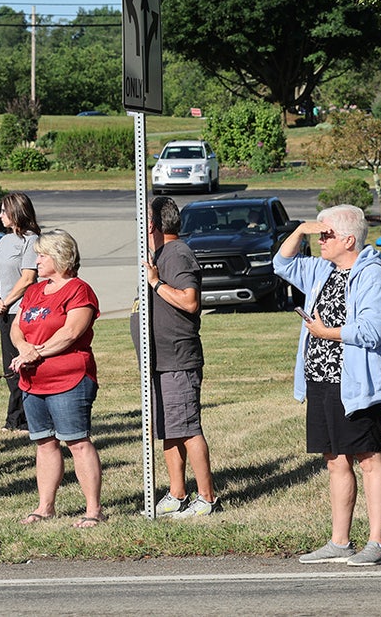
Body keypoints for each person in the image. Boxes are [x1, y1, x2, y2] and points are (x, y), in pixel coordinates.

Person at [274, 204, 381, 565]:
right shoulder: (322, 270)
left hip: (357, 384)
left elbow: (375, 330)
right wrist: (298, 232)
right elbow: (282, 265)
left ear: (347, 239)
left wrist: (327, 332)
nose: (320, 240)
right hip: (322, 380)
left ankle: (377, 542)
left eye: (325, 234)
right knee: (334, 459)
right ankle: (339, 542)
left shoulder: (372, 276)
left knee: (368, 457)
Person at [9, 229, 106, 528]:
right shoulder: (35, 291)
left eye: (42, 255)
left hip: (70, 378)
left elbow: (71, 333)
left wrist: (35, 352)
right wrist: (24, 347)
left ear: (60, 257)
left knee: (77, 442)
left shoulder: (79, 290)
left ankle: (93, 510)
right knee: (44, 443)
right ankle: (45, 506)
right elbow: (17, 328)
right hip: (33, 381)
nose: (36, 260)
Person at [140, 196, 218, 518]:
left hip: (178, 360)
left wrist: (156, 283)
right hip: (159, 362)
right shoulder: (159, 254)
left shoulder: (178, 254)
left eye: (143, 222)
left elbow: (189, 302)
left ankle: (207, 497)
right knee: (169, 429)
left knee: (187, 427)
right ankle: (177, 493)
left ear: (154, 224)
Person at [0, 192, 41, 432]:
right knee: (8, 368)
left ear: (16, 212)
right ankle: (16, 418)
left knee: (21, 364)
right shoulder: (3, 241)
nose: (0, 215)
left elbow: (27, 278)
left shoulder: (31, 241)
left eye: (4, 211)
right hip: (4, 310)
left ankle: (21, 420)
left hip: (20, 310)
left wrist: (6, 302)